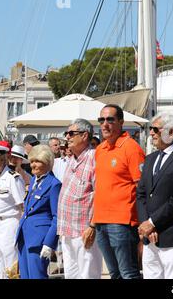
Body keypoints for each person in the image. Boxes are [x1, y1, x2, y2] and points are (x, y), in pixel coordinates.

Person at [92, 104, 145, 279]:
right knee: (114, 274)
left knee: (128, 273)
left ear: (121, 122)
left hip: (122, 223)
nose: (105, 124)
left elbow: (141, 188)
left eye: (110, 119)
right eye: (101, 120)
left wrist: (143, 223)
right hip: (101, 222)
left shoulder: (131, 147)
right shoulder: (100, 149)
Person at [136, 112, 173, 279]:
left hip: (172, 236)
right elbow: (141, 194)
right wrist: (146, 224)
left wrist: (152, 223)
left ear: (171, 132)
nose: (151, 133)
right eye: (150, 129)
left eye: (155, 129)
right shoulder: (150, 159)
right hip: (149, 238)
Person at [57, 119, 102, 279]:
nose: (67, 137)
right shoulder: (71, 159)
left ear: (84, 136)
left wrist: (93, 226)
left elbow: (100, 195)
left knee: (88, 274)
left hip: (84, 230)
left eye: (71, 133)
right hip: (67, 229)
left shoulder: (94, 158)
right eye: (66, 134)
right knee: (71, 275)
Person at [16, 145, 62, 279]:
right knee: (25, 276)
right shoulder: (34, 181)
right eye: (31, 161)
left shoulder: (54, 184)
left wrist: (49, 243)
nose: (33, 165)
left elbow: (57, 217)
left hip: (39, 240)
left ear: (47, 162)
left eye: (37, 161)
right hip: (24, 236)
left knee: (37, 276)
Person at [0, 145, 25, 278]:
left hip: (8, 224)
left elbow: (22, 206)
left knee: (11, 262)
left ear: (1, 160)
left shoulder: (12, 178)